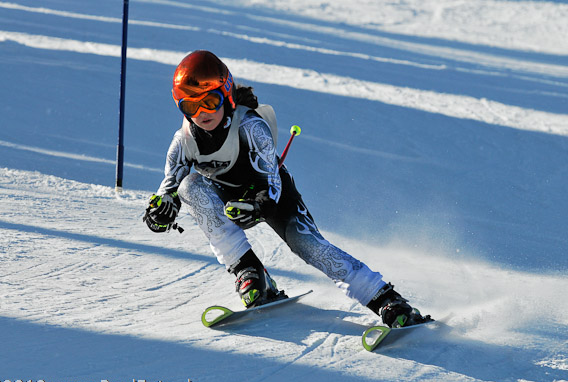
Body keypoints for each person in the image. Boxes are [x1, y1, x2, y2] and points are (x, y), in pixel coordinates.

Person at [143, 50, 430, 328]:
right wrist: (160, 212)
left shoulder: (250, 126)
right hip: (228, 199)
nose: (202, 112)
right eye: (190, 106)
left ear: (227, 94)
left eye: (210, 101)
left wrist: (258, 206)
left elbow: (272, 184)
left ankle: (386, 299)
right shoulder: (183, 142)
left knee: (307, 245)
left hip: (273, 196)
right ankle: (249, 271)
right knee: (188, 185)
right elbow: (167, 190)